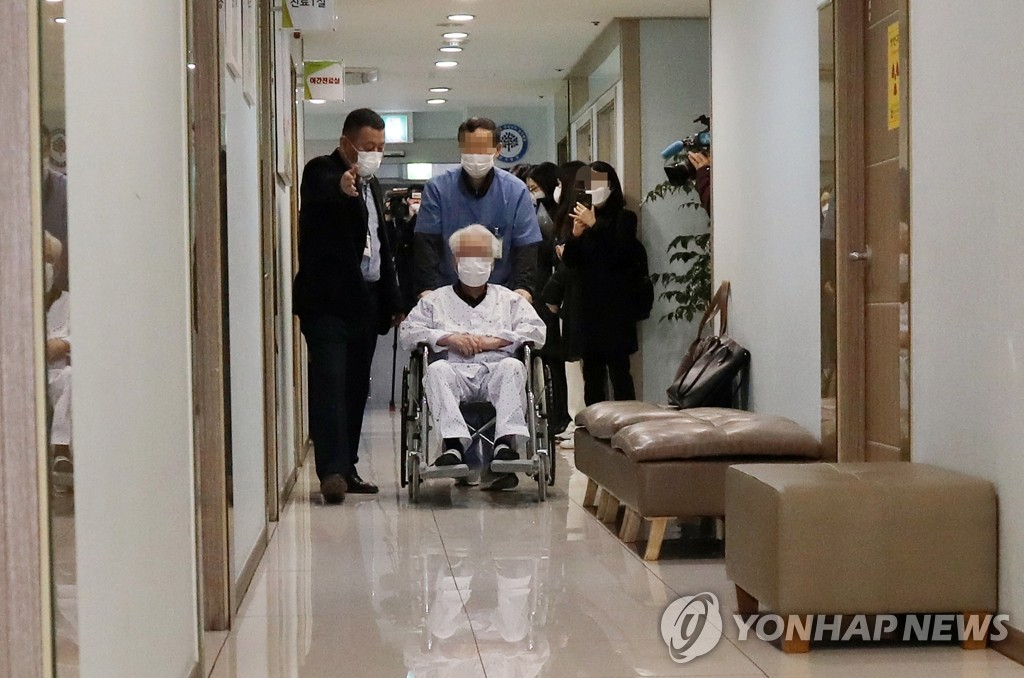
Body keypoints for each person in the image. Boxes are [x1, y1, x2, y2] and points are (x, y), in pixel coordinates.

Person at [292, 108, 404, 504]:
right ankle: (331, 472)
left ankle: (348, 466)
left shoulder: (374, 186)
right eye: (368, 146)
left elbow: (380, 247)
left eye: (381, 147)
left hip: (365, 302)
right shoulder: (321, 171)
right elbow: (325, 191)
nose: (375, 154)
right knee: (330, 383)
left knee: (356, 387)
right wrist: (342, 186)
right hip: (328, 303)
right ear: (346, 144)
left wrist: (393, 300)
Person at [400, 225, 546, 491]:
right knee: (436, 371)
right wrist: (448, 338)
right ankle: (454, 446)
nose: (474, 261)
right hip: (455, 370)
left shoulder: (509, 300)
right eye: (467, 254)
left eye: (481, 254)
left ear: (492, 261)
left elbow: (537, 331)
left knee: (513, 366)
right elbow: (407, 332)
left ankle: (504, 444)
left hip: (497, 370)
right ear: (455, 260)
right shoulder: (435, 301)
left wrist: (497, 341)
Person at [543, 162, 645, 406]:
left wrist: (595, 225)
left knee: (620, 372)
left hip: (615, 308)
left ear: (611, 185)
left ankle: (628, 420)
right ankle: (594, 422)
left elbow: (619, 255)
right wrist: (576, 236)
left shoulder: (624, 218)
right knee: (592, 374)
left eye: (599, 183)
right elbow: (571, 261)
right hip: (586, 308)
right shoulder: (580, 217)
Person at [413, 117, 542, 301]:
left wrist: (523, 289)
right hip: (447, 293)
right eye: (469, 148)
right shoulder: (438, 188)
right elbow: (426, 245)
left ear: (498, 150)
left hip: (500, 294)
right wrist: (428, 291)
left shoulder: (516, 190)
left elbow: (526, 247)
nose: (475, 155)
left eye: (482, 149)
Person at [525, 162, 570, 435]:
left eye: (535, 188)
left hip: (551, 295)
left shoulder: (557, 217)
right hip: (537, 290)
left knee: (553, 357)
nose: (533, 194)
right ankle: (547, 413)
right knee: (541, 354)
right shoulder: (534, 214)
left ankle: (559, 415)